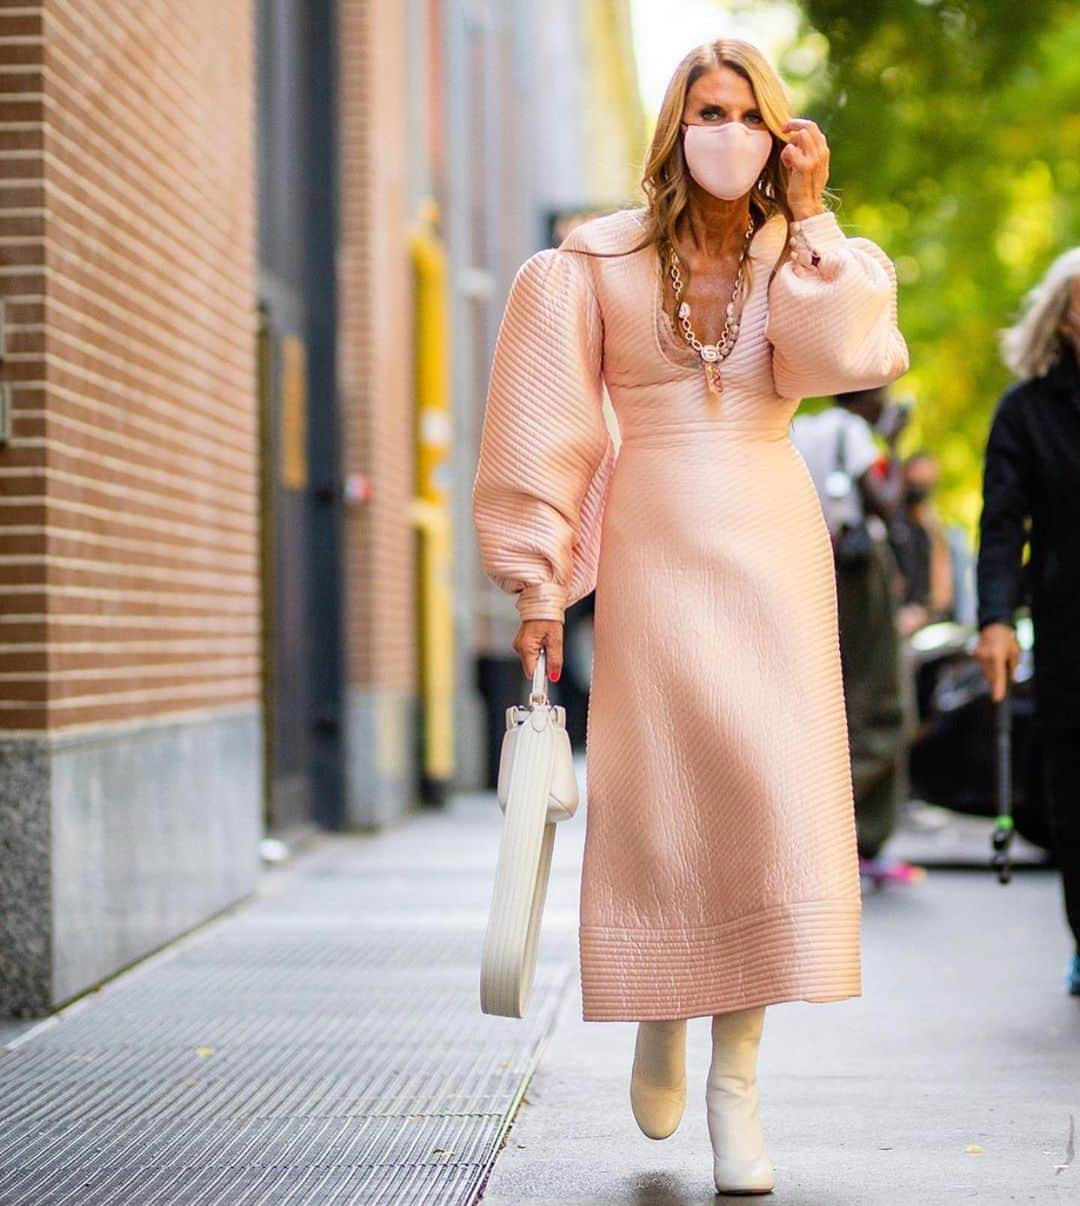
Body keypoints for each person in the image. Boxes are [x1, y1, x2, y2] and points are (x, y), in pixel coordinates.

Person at [472, 39, 908, 1195]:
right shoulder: (591, 265)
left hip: (772, 544)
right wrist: (537, 587)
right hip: (656, 552)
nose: (727, 130)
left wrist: (811, 221)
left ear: (779, 135)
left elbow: (843, 360)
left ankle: (738, 1082)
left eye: (749, 113)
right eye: (706, 109)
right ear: (676, 126)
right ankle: (662, 1006)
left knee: (769, 801)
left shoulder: (801, 258)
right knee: (662, 799)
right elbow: (547, 433)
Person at [975, 246, 1080, 997]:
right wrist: (995, 622)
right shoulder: (1027, 412)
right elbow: (1002, 527)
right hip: (1070, 625)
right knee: (1073, 790)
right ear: (1065, 321)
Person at [791, 390, 924, 887]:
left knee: (836, 699)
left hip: (815, 566)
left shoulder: (802, 428)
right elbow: (888, 506)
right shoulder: (851, 433)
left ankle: (858, 840)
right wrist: (892, 444)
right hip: (858, 571)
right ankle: (830, 821)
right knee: (884, 704)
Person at [890, 450, 956, 635]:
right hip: (899, 620)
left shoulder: (931, 526)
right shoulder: (893, 523)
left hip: (927, 619)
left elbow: (942, 590)